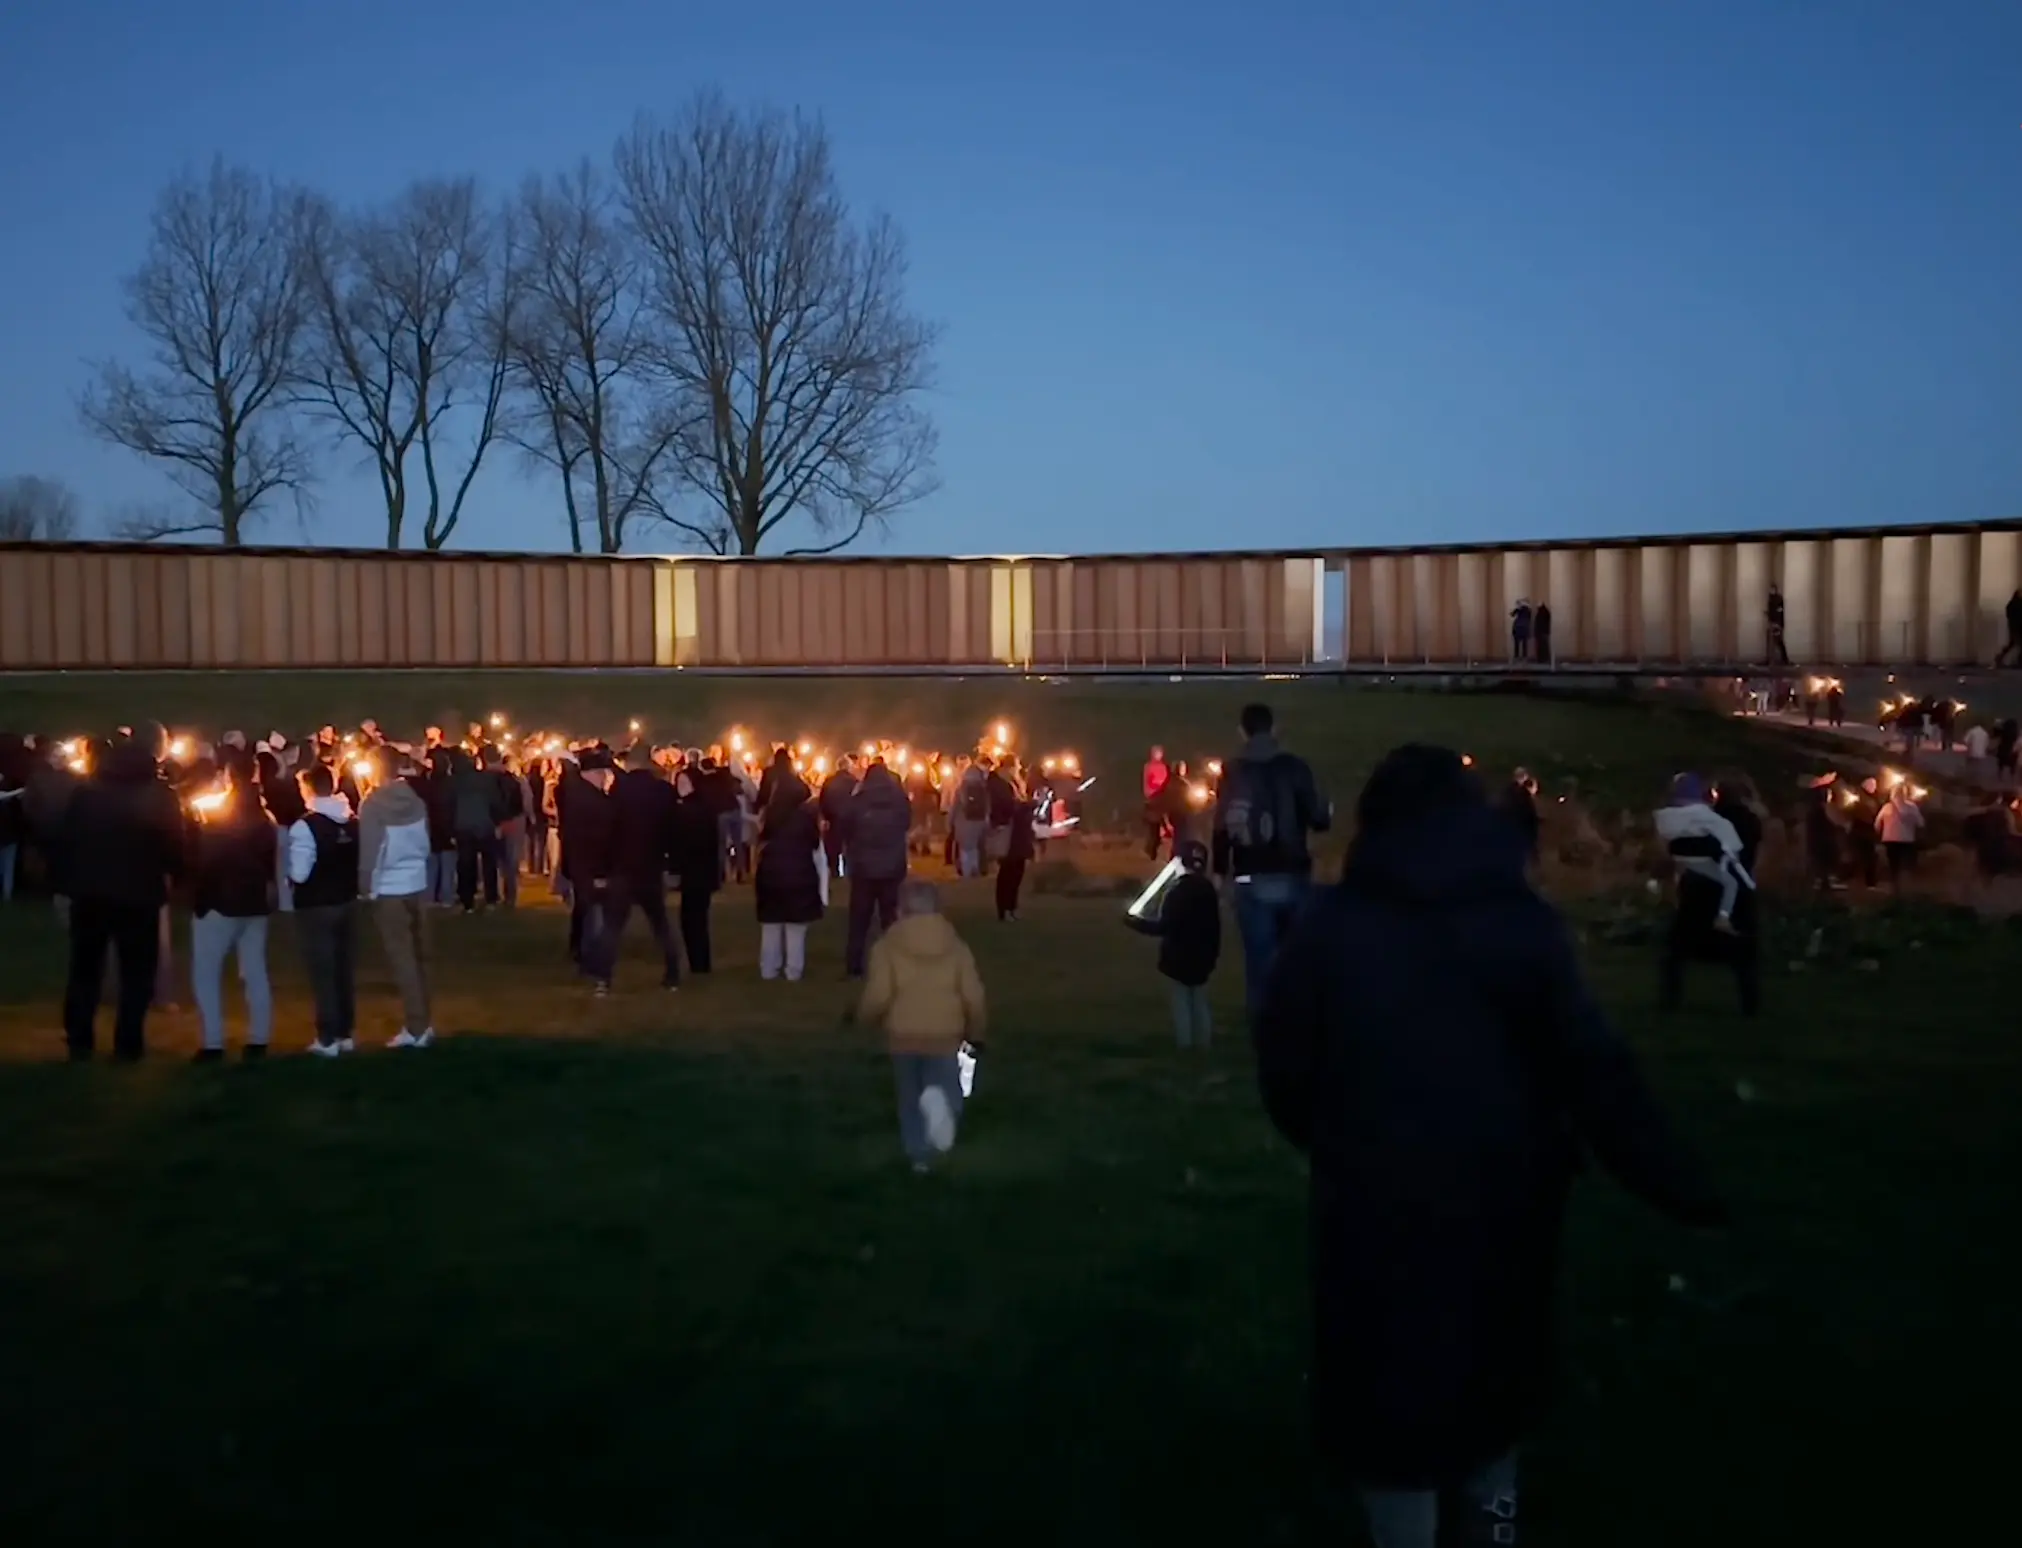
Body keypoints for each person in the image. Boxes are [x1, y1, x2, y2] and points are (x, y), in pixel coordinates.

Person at [1252, 744, 1724, 1548]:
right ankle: (1492, 1525)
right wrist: (1679, 1184)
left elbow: (1285, 1069)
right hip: (1506, 1195)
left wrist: (1342, 1140)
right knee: (1492, 1382)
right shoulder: (1522, 927)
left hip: (1376, 1203)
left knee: (1391, 1405)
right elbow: (1595, 1070)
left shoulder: (1332, 930)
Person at [61, 735, 185, 1062]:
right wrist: (176, 872)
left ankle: (79, 1039)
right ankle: (128, 1042)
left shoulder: (87, 795)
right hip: (139, 895)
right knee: (137, 974)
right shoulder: (160, 798)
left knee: (85, 970)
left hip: (90, 893)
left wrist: (67, 878)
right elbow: (175, 848)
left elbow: (66, 839)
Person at [1212, 702, 1331, 1023]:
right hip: (1293, 871)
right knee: (1297, 959)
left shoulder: (1234, 772)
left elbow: (1222, 826)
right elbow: (1319, 819)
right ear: (1274, 728)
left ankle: (1266, 1028)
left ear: (1242, 731)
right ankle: (1301, 1023)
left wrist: (1220, 871)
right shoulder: (1295, 768)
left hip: (1250, 874)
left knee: (1259, 961)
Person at [857, 880, 987, 1173]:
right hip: (945, 1034)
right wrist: (976, 1031)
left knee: (908, 1096)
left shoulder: (886, 947)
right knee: (948, 1086)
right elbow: (973, 995)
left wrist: (865, 1018)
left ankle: (918, 1156)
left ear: (901, 910)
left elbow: (879, 993)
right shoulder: (956, 947)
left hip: (903, 1035)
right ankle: (942, 1122)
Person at [187, 771, 277, 1062]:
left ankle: (213, 1042)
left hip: (220, 906)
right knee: (254, 970)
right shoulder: (266, 825)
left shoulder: (219, 826)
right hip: (254, 905)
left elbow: (205, 867)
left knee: (206, 972)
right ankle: (259, 1038)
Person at [360, 749, 437, 1048]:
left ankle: (416, 1028)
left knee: (403, 959)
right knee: (420, 957)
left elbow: (370, 852)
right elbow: (425, 841)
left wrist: (366, 886)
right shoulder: (416, 801)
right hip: (417, 883)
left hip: (390, 887)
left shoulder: (373, 805)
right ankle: (424, 1022)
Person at [290, 765, 360, 1057]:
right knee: (343, 969)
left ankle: (327, 1037)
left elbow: (300, 873)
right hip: (346, 900)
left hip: (317, 905)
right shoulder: (352, 820)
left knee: (323, 971)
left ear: (308, 789)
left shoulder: (305, 826)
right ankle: (345, 1032)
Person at [1129, 838, 1220, 1048]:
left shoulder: (1176, 893)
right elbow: (1215, 927)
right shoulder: (1208, 891)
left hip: (1178, 958)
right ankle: (1204, 1041)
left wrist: (1135, 923)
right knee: (1199, 999)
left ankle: (1185, 1042)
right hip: (1203, 956)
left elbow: (1164, 927)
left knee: (1181, 1001)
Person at [608, 745, 682, 990]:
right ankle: (672, 973)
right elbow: (673, 831)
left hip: (623, 864)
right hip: (652, 863)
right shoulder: (664, 791)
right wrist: (671, 864)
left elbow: (613, 826)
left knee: (614, 924)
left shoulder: (620, 789)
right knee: (660, 922)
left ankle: (603, 978)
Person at [1652, 774, 1749, 934]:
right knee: (1731, 883)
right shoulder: (1703, 814)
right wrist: (1733, 851)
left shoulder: (1665, 814)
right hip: (1698, 859)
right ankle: (1723, 918)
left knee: (1676, 876)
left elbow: (1662, 835)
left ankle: (1665, 897)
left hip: (1677, 857)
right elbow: (1726, 832)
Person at [842, 758, 912, 976]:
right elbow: (906, 823)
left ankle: (854, 964)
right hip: (891, 867)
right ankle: (893, 962)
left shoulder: (858, 801)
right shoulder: (899, 800)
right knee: (890, 917)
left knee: (859, 919)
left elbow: (845, 826)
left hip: (863, 867)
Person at [755, 771, 824, 982]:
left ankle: (769, 968)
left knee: (771, 926)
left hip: (770, 876)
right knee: (796, 928)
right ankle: (793, 969)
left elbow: (760, 841)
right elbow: (814, 844)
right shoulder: (806, 818)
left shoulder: (770, 816)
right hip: (800, 875)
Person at [564, 751, 622, 994]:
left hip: (579, 868)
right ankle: (595, 965)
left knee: (586, 914)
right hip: (593, 870)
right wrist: (600, 872)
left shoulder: (574, 796)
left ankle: (583, 958)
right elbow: (598, 840)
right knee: (596, 919)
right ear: (594, 774)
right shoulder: (595, 802)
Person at [669, 768, 721, 973]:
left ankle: (699, 963)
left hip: (696, 872)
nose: (680, 787)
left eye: (684, 783)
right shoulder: (697, 807)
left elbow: (689, 841)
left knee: (694, 920)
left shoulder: (693, 809)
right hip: (698, 872)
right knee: (694, 919)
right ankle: (699, 962)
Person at [995, 770, 1037, 921]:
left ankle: (1011, 908)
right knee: (1009, 877)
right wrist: (1029, 805)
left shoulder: (1012, 784)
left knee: (1015, 876)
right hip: (1012, 840)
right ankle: (1006, 909)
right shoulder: (1005, 786)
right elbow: (1011, 809)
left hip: (1017, 840)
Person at [1876, 783, 1924, 891]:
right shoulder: (1912, 807)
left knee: (1894, 864)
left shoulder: (1887, 807)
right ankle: (1906, 888)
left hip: (1889, 840)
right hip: (1907, 840)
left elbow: (1877, 824)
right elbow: (1921, 823)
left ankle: (1894, 886)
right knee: (1906, 865)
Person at [951, 760, 990, 879]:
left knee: (965, 849)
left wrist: (950, 822)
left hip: (963, 822)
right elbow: (988, 806)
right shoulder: (983, 788)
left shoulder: (961, 789)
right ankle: (975, 869)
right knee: (974, 848)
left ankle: (967, 872)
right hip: (979, 821)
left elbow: (955, 807)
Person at [1141, 745, 1172, 858]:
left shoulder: (1164, 767)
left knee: (1162, 823)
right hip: (1153, 798)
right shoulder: (1148, 767)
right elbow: (1147, 782)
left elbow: (1167, 781)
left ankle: (1156, 846)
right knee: (1154, 826)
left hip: (1162, 798)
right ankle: (1151, 849)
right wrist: (1149, 794)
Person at [1997, 589, 2022, 667]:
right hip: (2017, 627)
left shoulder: (2011, 604)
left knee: (2012, 644)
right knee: (2017, 644)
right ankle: (2019, 662)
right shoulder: (2017, 604)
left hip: (2014, 627)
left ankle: (1999, 658)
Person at [1766, 583, 1789, 665]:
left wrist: (1777, 622)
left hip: (1777, 623)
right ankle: (1771, 659)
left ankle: (1784, 659)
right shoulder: (1771, 599)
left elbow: (1779, 611)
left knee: (1778, 641)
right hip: (1772, 622)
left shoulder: (1778, 599)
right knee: (1772, 641)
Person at [1532, 601, 1554, 667]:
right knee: (1544, 646)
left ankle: (1541, 659)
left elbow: (1539, 624)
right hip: (1544, 632)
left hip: (1541, 632)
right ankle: (1544, 659)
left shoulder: (1541, 614)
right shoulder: (1546, 613)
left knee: (1542, 647)